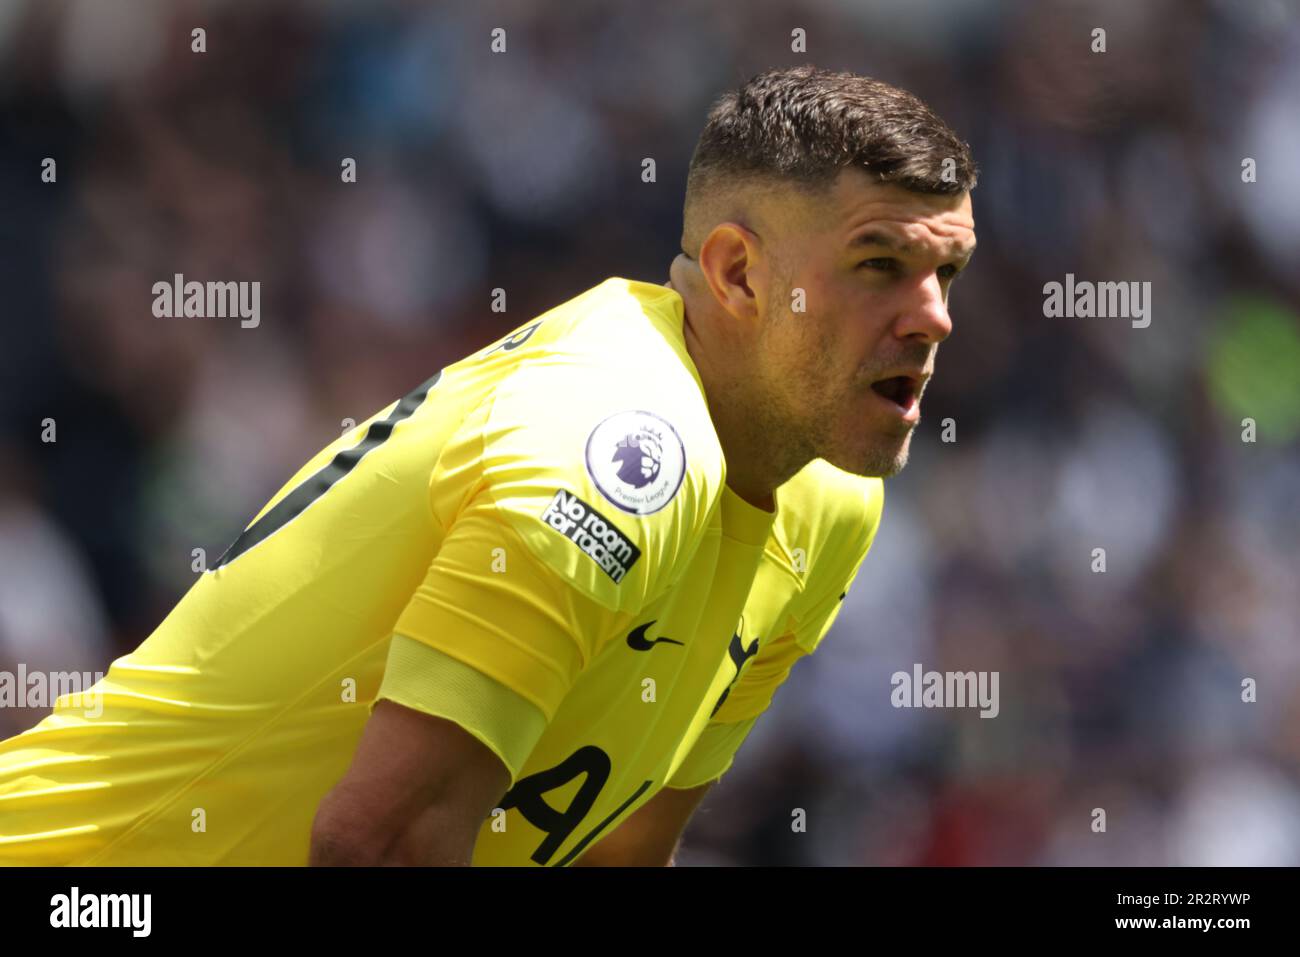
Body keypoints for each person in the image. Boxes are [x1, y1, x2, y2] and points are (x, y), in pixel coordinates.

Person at [0, 64, 976, 866]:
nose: (931, 316)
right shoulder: (615, 454)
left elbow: (619, 848)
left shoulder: (828, 496)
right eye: (878, 264)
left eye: (947, 274)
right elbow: (379, 847)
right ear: (736, 275)